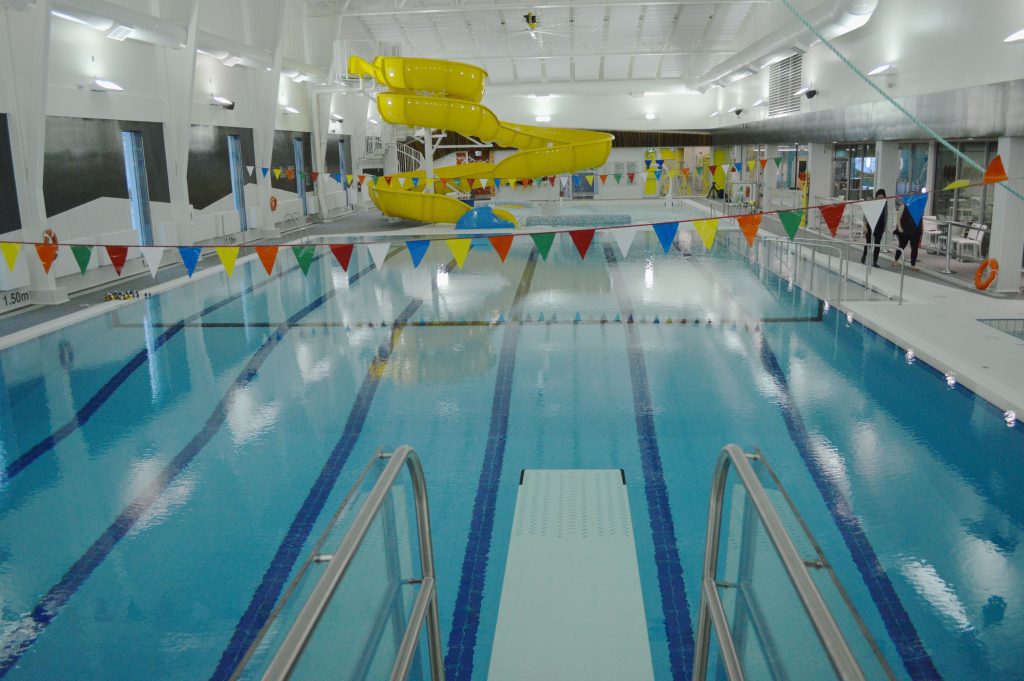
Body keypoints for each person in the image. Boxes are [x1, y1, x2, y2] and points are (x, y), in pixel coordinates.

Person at [893, 198, 922, 270]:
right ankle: (896, 260)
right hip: (904, 230)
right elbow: (898, 218)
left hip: (915, 231)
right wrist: (899, 227)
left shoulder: (918, 207)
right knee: (901, 246)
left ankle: (913, 264)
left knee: (914, 248)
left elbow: (920, 219)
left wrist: (921, 230)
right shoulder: (903, 206)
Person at [861, 188, 887, 267]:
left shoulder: (885, 204)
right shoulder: (872, 203)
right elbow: (865, 214)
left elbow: (886, 216)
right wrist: (865, 225)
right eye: (879, 198)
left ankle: (875, 262)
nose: (881, 199)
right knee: (868, 242)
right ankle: (864, 255)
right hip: (870, 224)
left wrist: (884, 227)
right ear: (876, 197)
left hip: (880, 226)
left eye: (882, 198)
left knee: (877, 244)